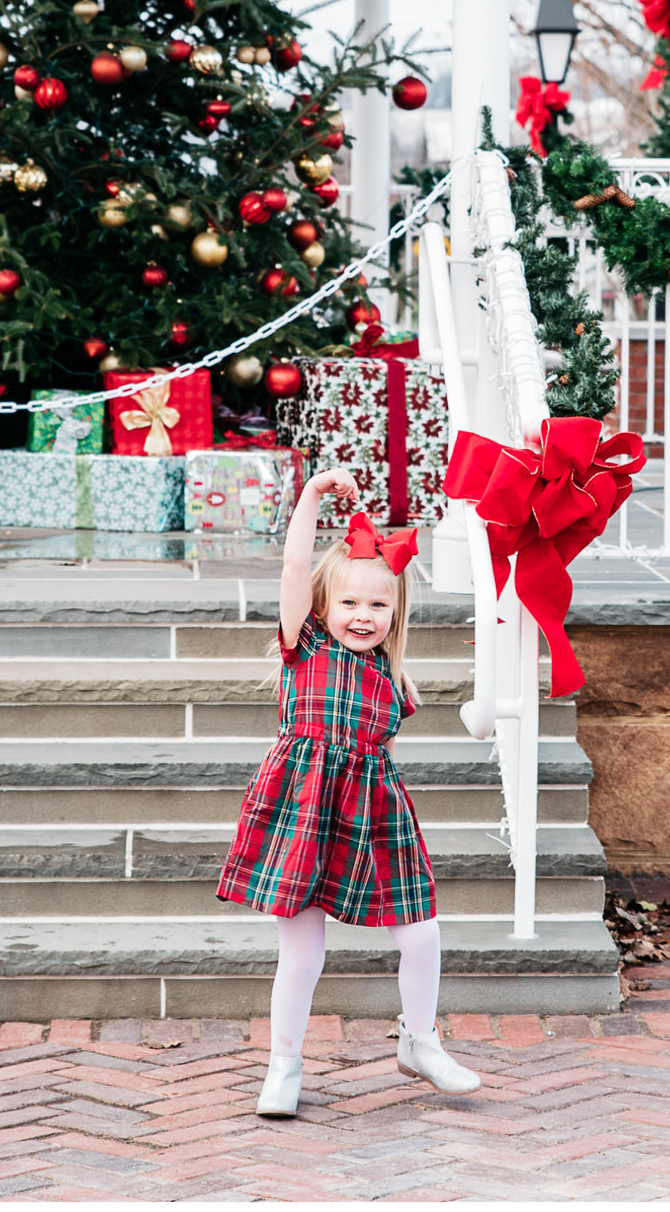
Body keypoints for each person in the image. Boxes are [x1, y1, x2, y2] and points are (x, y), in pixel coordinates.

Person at [215, 470, 483, 1117]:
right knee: (303, 948)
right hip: (302, 808)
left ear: (396, 615)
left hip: (373, 814)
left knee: (420, 934)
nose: (362, 616)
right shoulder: (302, 646)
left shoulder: (393, 681)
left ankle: (420, 1041)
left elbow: (378, 751)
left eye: (378, 606)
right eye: (349, 604)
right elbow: (293, 566)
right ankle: (284, 1065)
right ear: (322, 607)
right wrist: (309, 497)